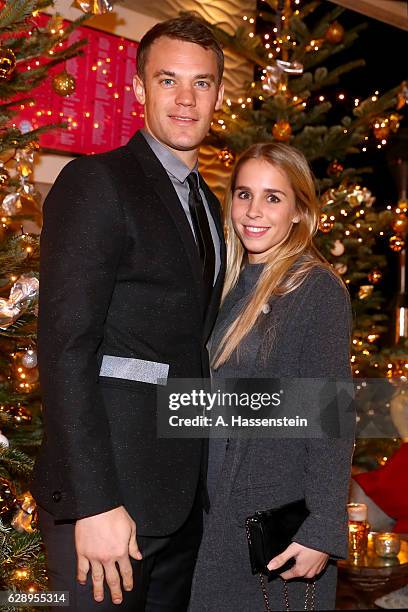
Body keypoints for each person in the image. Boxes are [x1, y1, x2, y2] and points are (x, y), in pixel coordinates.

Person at [30, 15, 226, 612]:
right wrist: (94, 503)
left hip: (180, 502)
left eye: (202, 82)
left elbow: (192, 350)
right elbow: (66, 347)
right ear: (139, 90)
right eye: (168, 80)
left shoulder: (211, 206)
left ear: (220, 93)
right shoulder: (97, 182)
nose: (186, 99)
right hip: (108, 505)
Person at [188, 142, 355, 611]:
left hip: (272, 524)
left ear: (300, 211)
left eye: (273, 198)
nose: (254, 211)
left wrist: (323, 526)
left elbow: (331, 413)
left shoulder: (314, 288)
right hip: (214, 515)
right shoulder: (228, 285)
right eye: (244, 195)